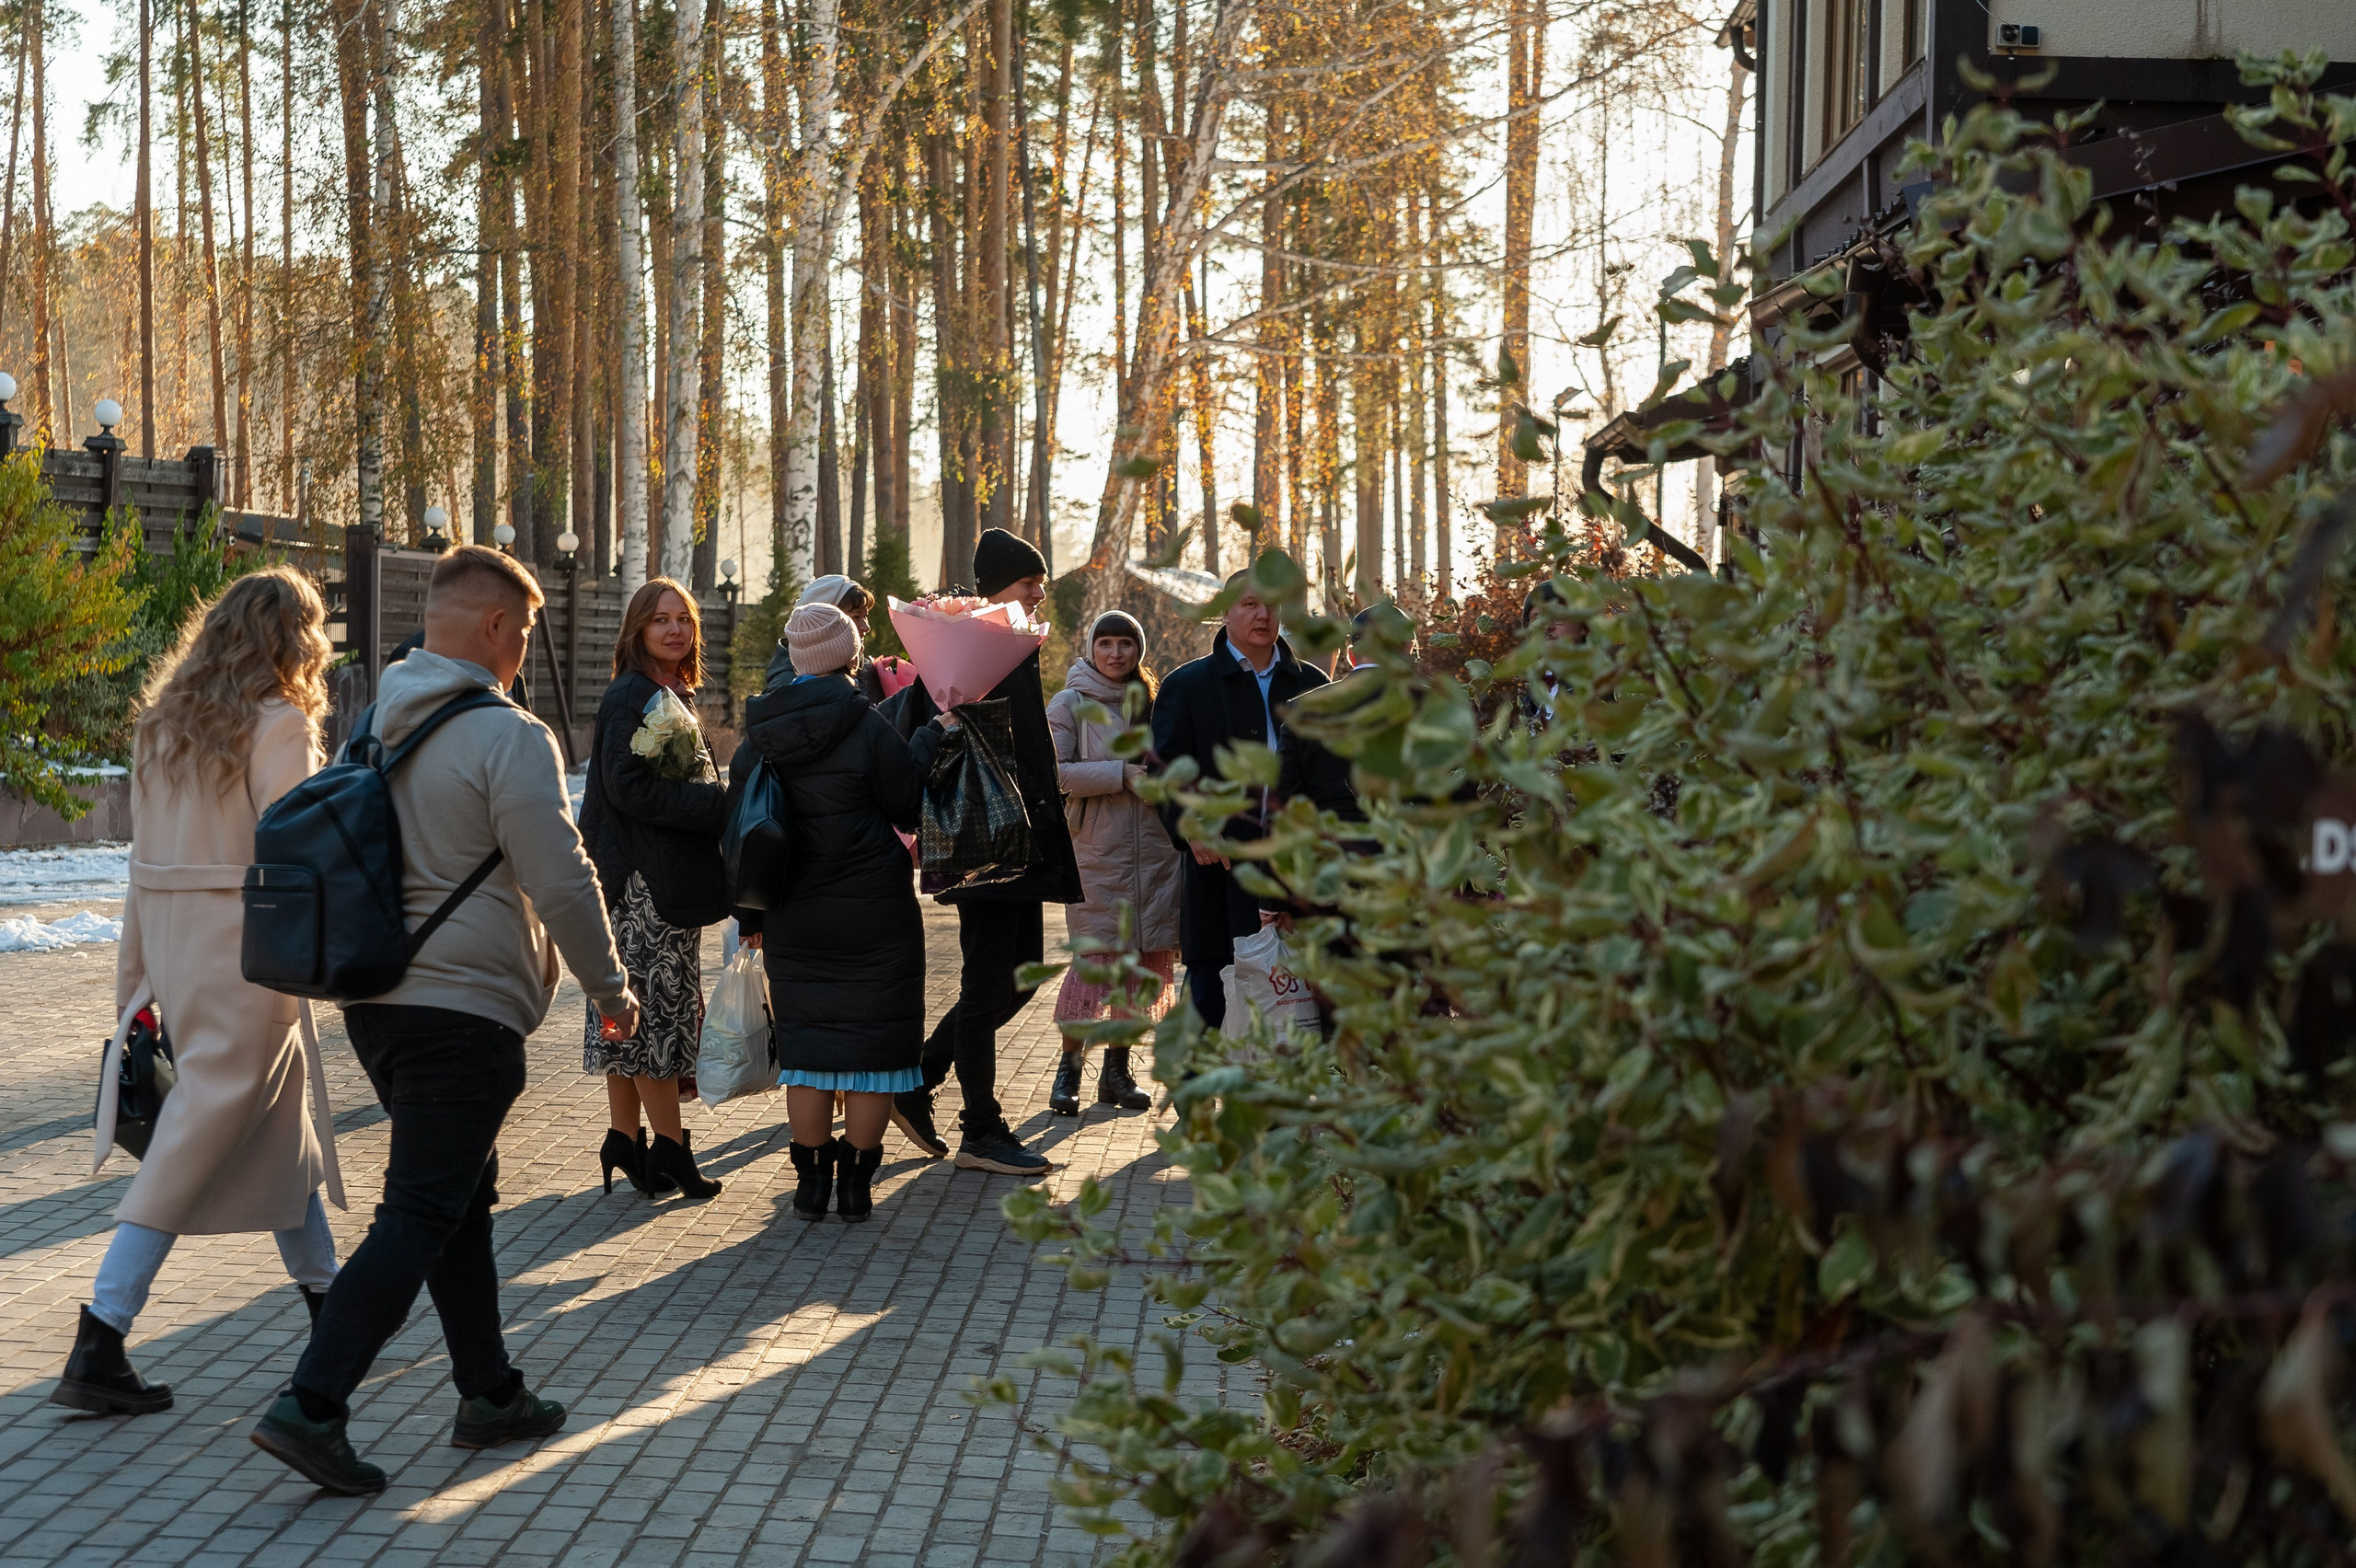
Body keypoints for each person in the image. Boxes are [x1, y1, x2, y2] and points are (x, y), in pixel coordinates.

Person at [251, 545, 641, 1496]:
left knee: (459, 1202)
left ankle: (489, 1393)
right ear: (497, 628)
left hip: (378, 1004)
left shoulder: (377, 721)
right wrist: (611, 988)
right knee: (423, 1209)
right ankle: (312, 1404)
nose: (524, 652)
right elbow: (561, 873)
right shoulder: (510, 738)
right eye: (525, 633)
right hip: (464, 1012)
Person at [51, 571, 345, 1418]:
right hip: (250, 950)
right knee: (202, 1127)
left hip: (181, 945)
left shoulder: (162, 724)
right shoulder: (279, 722)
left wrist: (135, 975)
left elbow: (142, 867)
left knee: (276, 1125)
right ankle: (100, 1333)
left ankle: (331, 1307)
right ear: (291, 637)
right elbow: (298, 847)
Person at [729, 603, 949, 1220]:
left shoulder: (760, 733)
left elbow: (739, 831)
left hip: (795, 915)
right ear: (850, 657)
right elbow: (907, 805)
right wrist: (930, 735)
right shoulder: (864, 724)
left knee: (809, 1055)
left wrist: (750, 921)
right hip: (874, 915)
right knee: (873, 1057)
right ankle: (855, 1186)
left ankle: (809, 1185)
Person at [888, 528, 1084, 1174]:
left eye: (1041, 583)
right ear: (998, 586)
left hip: (1021, 839)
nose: (1039, 593)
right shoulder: (969, 648)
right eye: (1030, 583)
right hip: (985, 841)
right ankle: (980, 1127)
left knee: (1019, 973)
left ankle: (921, 1073)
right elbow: (932, 728)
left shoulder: (1008, 646)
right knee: (986, 983)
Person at [577, 577, 729, 1201]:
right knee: (653, 1020)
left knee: (629, 1016)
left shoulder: (662, 692)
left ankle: (624, 1136)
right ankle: (669, 1149)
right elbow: (628, 788)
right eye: (660, 620)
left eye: (684, 620)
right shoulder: (633, 695)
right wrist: (711, 803)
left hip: (640, 879)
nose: (674, 630)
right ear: (637, 630)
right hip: (645, 886)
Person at [1149, 570, 1330, 1028]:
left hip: (1291, 860)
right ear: (1225, 611)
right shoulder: (1187, 685)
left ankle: (1280, 1090)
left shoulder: (1311, 684)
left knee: (1293, 986)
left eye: (1271, 604)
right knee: (1210, 985)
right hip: (1218, 860)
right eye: (1249, 603)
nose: (1263, 614)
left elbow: (1326, 775)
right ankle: (1197, 1090)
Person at [1042, 610, 1174, 1115]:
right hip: (1098, 854)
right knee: (1095, 965)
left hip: (1157, 854)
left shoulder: (1156, 703)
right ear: (1091, 648)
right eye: (1106, 643)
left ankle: (1117, 1074)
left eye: (1125, 644)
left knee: (1141, 963)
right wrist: (1120, 773)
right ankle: (1069, 1072)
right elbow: (1056, 772)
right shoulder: (1070, 702)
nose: (1115, 653)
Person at [785, 575, 914, 706]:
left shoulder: (868, 671)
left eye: (865, 616)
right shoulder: (789, 685)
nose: (866, 627)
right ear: (824, 623)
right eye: (856, 617)